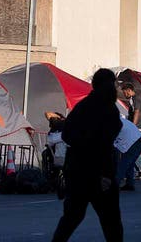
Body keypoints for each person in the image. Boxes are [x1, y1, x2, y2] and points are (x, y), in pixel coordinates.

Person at [52, 68, 123, 242]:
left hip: (77, 170)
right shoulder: (109, 110)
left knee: (72, 217)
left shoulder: (82, 107)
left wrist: (80, 145)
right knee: (111, 221)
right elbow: (104, 146)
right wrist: (105, 174)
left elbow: (66, 134)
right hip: (98, 173)